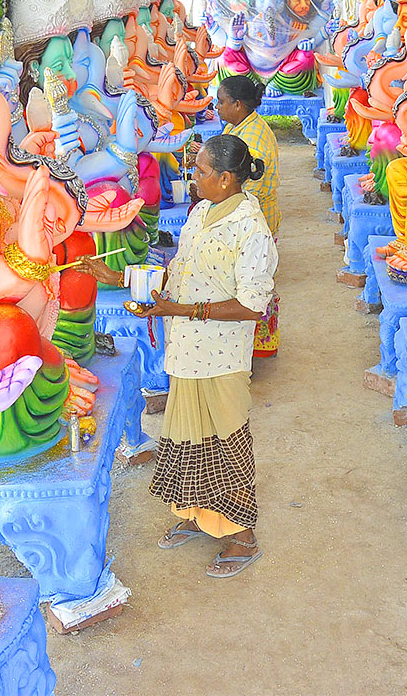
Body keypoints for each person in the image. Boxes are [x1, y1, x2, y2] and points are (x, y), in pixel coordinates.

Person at [84, 135, 278, 578]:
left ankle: (242, 536)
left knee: (225, 442)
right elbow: (179, 269)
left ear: (226, 179)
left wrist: (181, 309)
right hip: (187, 349)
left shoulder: (250, 229)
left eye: (202, 171)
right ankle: (198, 515)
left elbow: (252, 306)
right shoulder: (202, 213)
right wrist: (117, 276)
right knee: (188, 436)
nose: (193, 177)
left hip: (221, 357)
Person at [216, 76, 281, 356]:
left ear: (238, 104)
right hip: (248, 214)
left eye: (221, 102)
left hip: (256, 218)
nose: (216, 107)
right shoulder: (238, 125)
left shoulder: (254, 137)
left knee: (253, 284)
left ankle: (260, 346)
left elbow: (246, 187)